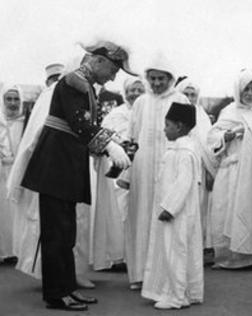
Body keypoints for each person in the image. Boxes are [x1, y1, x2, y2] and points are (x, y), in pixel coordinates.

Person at [20, 40, 134, 311]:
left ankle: (66, 287)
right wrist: (110, 145)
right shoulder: (75, 81)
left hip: (63, 166)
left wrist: (111, 141)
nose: (114, 76)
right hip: (56, 167)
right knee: (57, 234)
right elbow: (79, 123)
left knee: (66, 233)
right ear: (98, 61)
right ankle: (57, 294)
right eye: (113, 69)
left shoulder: (86, 85)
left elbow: (87, 126)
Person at [7, 60, 96, 289]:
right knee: (52, 230)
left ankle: (71, 277)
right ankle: (54, 283)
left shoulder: (83, 94)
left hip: (73, 171)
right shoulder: (47, 99)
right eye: (54, 78)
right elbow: (32, 141)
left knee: (74, 228)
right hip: (52, 172)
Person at [125, 52, 188, 290]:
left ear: (170, 78)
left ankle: (165, 276)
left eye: (162, 78)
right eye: (153, 78)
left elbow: (187, 136)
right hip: (142, 169)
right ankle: (140, 274)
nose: (157, 83)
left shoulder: (181, 100)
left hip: (169, 167)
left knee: (166, 216)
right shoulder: (141, 102)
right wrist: (127, 173)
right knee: (140, 219)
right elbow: (132, 136)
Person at [207, 69, 252, 269]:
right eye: (246, 88)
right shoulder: (229, 111)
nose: (250, 93)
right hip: (232, 169)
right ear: (239, 90)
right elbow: (212, 137)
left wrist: (248, 131)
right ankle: (229, 258)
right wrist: (227, 136)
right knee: (225, 210)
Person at [141, 102, 203, 309]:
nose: (164, 129)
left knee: (176, 252)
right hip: (175, 212)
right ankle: (178, 291)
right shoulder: (177, 149)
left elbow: (184, 183)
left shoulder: (185, 152)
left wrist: (170, 207)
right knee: (174, 251)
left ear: (179, 126)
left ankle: (177, 296)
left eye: (167, 125)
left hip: (178, 214)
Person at [92, 77, 145, 271]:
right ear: (125, 92)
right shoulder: (115, 114)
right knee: (119, 210)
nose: (136, 94)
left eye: (140, 90)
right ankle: (117, 256)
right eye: (132, 90)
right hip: (117, 168)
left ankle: (136, 256)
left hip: (141, 168)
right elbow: (104, 138)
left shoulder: (147, 113)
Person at [176, 78, 216, 250]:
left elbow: (208, 147)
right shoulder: (173, 113)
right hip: (178, 168)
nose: (190, 98)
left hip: (199, 169)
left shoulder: (202, 116)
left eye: (193, 95)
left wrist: (209, 171)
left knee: (197, 209)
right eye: (186, 94)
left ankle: (195, 248)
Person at [0, 85, 25, 263]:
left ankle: (18, 251)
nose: (12, 103)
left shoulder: (25, 122)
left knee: (18, 212)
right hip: (1, 172)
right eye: (8, 99)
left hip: (19, 173)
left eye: (16, 99)